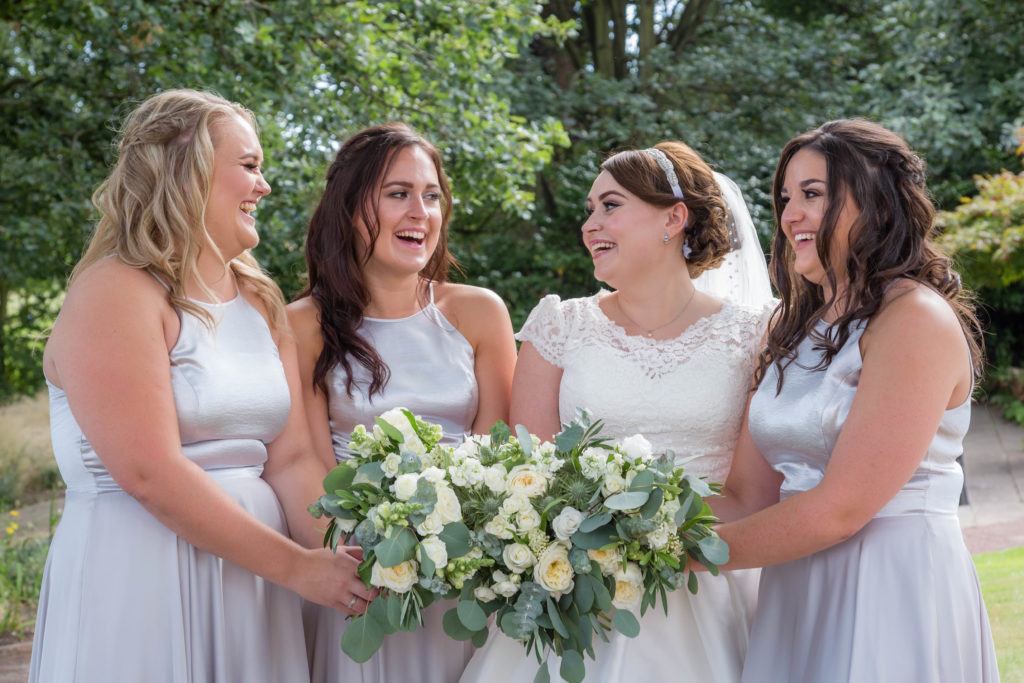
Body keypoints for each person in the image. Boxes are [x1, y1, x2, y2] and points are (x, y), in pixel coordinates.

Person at [28, 89, 374, 683]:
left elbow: (290, 460)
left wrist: (355, 568)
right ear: (185, 170)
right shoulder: (116, 290)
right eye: (250, 166)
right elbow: (148, 472)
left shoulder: (260, 300)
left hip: (257, 586)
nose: (264, 186)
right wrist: (296, 568)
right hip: (146, 576)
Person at [460, 141, 776, 683]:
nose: (589, 224)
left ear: (673, 219)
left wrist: (653, 540)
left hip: (706, 591)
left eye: (610, 205)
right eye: (589, 209)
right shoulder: (558, 327)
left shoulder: (755, 337)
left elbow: (753, 496)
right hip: (577, 596)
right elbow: (525, 481)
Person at [709, 119, 999, 682]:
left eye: (813, 195)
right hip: (794, 582)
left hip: (890, 584)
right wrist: (631, 523)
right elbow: (748, 496)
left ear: (880, 205)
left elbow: (840, 509)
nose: (790, 214)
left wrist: (685, 555)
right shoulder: (788, 329)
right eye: (786, 197)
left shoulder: (913, 318)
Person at [287, 122, 518, 682]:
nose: (421, 211)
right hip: (361, 574)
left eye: (432, 195)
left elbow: (500, 453)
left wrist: (457, 549)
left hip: (470, 573)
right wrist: (372, 557)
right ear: (349, 207)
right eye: (398, 194)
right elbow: (308, 463)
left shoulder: (480, 312)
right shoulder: (301, 325)